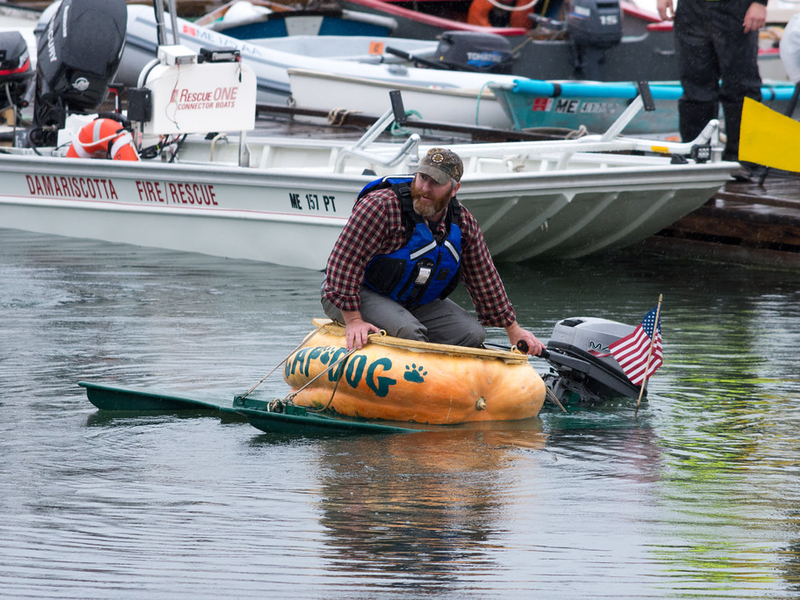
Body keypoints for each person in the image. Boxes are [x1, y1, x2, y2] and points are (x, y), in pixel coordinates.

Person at [320, 147, 546, 356]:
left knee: (472, 334)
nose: (425, 189)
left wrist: (513, 330)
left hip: (409, 301)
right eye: (422, 178)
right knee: (409, 332)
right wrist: (353, 320)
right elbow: (342, 264)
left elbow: (484, 278)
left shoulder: (463, 223)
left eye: (436, 182)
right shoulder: (381, 206)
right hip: (353, 295)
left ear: (454, 188)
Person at [657, 0, 766, 164]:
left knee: (742, 87)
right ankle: (695, 156)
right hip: (691, 10)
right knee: (695, 87)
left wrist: (760, 3)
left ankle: (744, 160)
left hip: (736, 11)